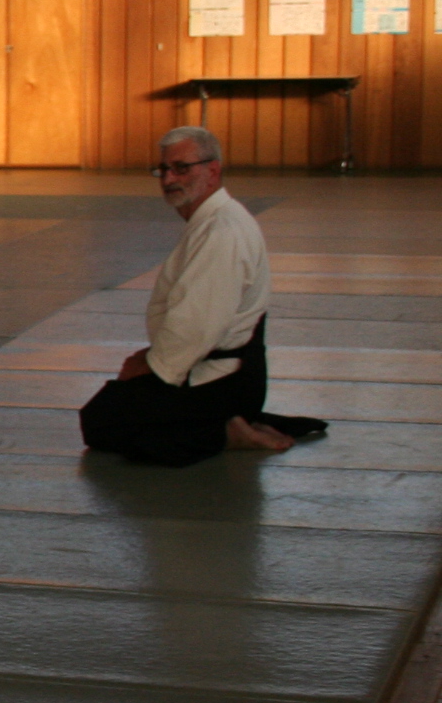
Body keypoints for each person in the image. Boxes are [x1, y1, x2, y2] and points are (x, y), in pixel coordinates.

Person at [79, 127, 328, 467]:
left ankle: (226, 433)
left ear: (213, 170)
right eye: (164, 169)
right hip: (221, 371)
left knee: (102, 422)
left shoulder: (221, 231)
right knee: (113, 407)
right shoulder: (211, 221)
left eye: (181, 168)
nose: (169, 178)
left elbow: (197, 325)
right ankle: (234, 420)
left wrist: (152, 366)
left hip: (224, 379)